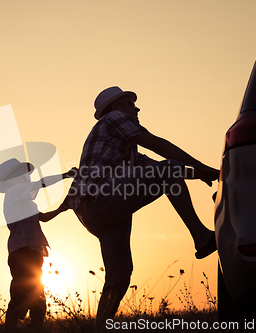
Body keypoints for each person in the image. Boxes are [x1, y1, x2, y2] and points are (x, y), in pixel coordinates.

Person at [66, 86, 220, 332]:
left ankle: (100, 328)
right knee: (169, 169)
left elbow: (160, 169)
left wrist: (201, 173)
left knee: (120, 274)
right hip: (101, 199)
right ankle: (201, 237)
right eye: (131, 104)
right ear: (117, 107)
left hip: (93, 211)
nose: (136, 108)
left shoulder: (124, 148)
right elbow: (160, 149)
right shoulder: (115, 119)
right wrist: (200, 165)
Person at [0, 158, 76, 332]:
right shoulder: (14, 192)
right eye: (22, 174)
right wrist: (66, 175)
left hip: (29, 251)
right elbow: (41, 183)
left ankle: (34, 327)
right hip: (23, 251)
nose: (26, 177)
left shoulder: (22, 200)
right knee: (23, 294)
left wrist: (62, 208)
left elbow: (43, 218)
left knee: (36, 295)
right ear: (13, 178)